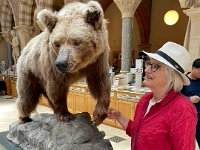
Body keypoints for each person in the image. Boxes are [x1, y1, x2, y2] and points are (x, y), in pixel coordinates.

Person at [107, 41, 197, 150]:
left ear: (171, 75)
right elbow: (137, 133)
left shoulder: (182, 110)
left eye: (155, 66)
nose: (146, 70)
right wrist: (119, 116)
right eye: (149, 64)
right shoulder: (145, 100)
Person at [181, 58, 200, 147]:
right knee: (187, 141)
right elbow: (175, 98)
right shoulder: (183, 80)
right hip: (188, 116)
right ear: (193, 68)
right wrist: (189, 99)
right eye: (199, 71)